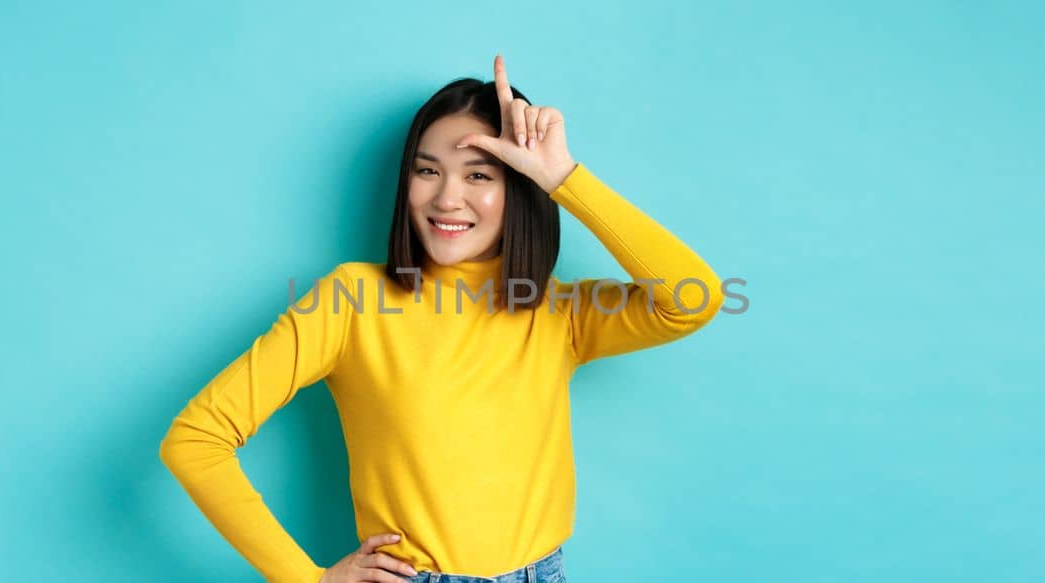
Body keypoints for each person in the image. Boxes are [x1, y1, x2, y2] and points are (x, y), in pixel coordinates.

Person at [159, 54, 724, 583]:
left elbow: (694, 298)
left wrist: (563, 178)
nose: (447, 198)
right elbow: (197, 437)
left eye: (480, 175)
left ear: (519, 189)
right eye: (428, 171)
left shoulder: (558, 311)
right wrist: (306, 578)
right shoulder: (350, 301)